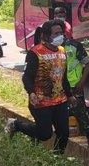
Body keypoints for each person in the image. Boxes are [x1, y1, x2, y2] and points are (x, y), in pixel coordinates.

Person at [5, 20, 76, 153]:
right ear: (46, 35)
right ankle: (16, 125)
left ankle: (57, 158)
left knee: (64, 132)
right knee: (45, 134)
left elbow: (63, 77)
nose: (60, 36)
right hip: (41, 101)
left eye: (61, 33)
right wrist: (31, 92)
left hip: (60, 100)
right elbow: (26, 76)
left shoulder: (62, 51)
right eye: (56, 33)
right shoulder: (35, 53)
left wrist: (70, 95)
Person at [63, 28, 89, 148]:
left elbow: (87, 63)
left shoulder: (74, 46)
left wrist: (82, 82)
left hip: (74, 85)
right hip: (58, 85)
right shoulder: (51, 48)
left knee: (80, 110)